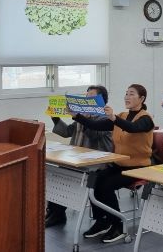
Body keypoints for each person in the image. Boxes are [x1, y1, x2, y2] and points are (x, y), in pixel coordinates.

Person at [72, 84, 154, 243]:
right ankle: (102, 221)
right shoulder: (122, 115)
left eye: (131, 94)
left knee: (106, 185)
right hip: (119, 164)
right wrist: (77, 116)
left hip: (138, 167)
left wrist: (114, 119)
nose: (127, 97)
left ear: (142, 98)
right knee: (94, 180)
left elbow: (132, 128)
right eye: (126, 93)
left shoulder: (146, 119)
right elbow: (96, 125)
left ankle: (118, 225)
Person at [46, 85, 114, 228]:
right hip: (77, 159)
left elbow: (95, 135)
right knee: (58, 174)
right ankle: (55, 212)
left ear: (100, 100)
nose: (87, 98)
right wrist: (55, 118)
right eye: (86, 96)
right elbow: (67, 132)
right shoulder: (81, 116)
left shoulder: (105, 117)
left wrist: (83, 118)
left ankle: (58, 213)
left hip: (96, 162)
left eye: (91, 96)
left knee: (69, 176)